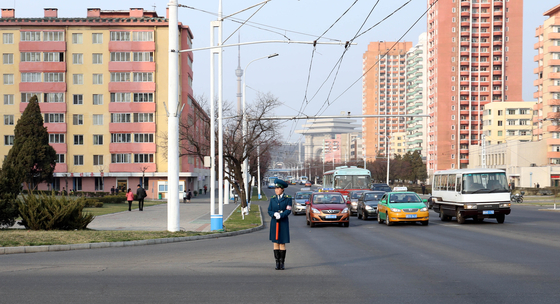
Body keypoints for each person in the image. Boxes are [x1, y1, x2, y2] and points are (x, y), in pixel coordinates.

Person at [268, 179, 292, 270]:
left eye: (278, 188)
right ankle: (277, 262)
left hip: (283, 222)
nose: (276, 190)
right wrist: (273, 214)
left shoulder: (288, 198)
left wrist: (281, 215)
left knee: (282, 242)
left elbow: (288, 210)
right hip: (274, 222)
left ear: (282, 189)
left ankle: (282, 263)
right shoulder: (273, 199)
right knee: (275, 242)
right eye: (275, 188)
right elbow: (269, 210)